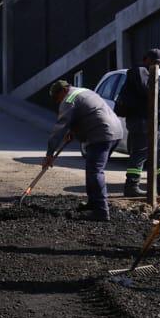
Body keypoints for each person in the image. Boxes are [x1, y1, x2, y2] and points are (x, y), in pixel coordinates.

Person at [41, 79, 125, 221]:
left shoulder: (69, 99)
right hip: (115, 132)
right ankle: (93, 203)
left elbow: (59, 129)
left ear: (62, 91)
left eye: (56, 98)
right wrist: (74, 131)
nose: (57, 102)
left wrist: (49, 154)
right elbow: (88, 112)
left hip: (101, 134)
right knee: (92, 169)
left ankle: (101, 211)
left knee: (95, 171)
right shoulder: (84, 91)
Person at [114, 48, 160, 197]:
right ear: (146, 60)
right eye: (155, 62)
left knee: (159, 153)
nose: (157, 66)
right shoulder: (139, 71)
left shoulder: (149, 74)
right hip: (141, 122)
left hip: (151, 122)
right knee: (140, 153)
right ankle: (131, 186)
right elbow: (146, 91)